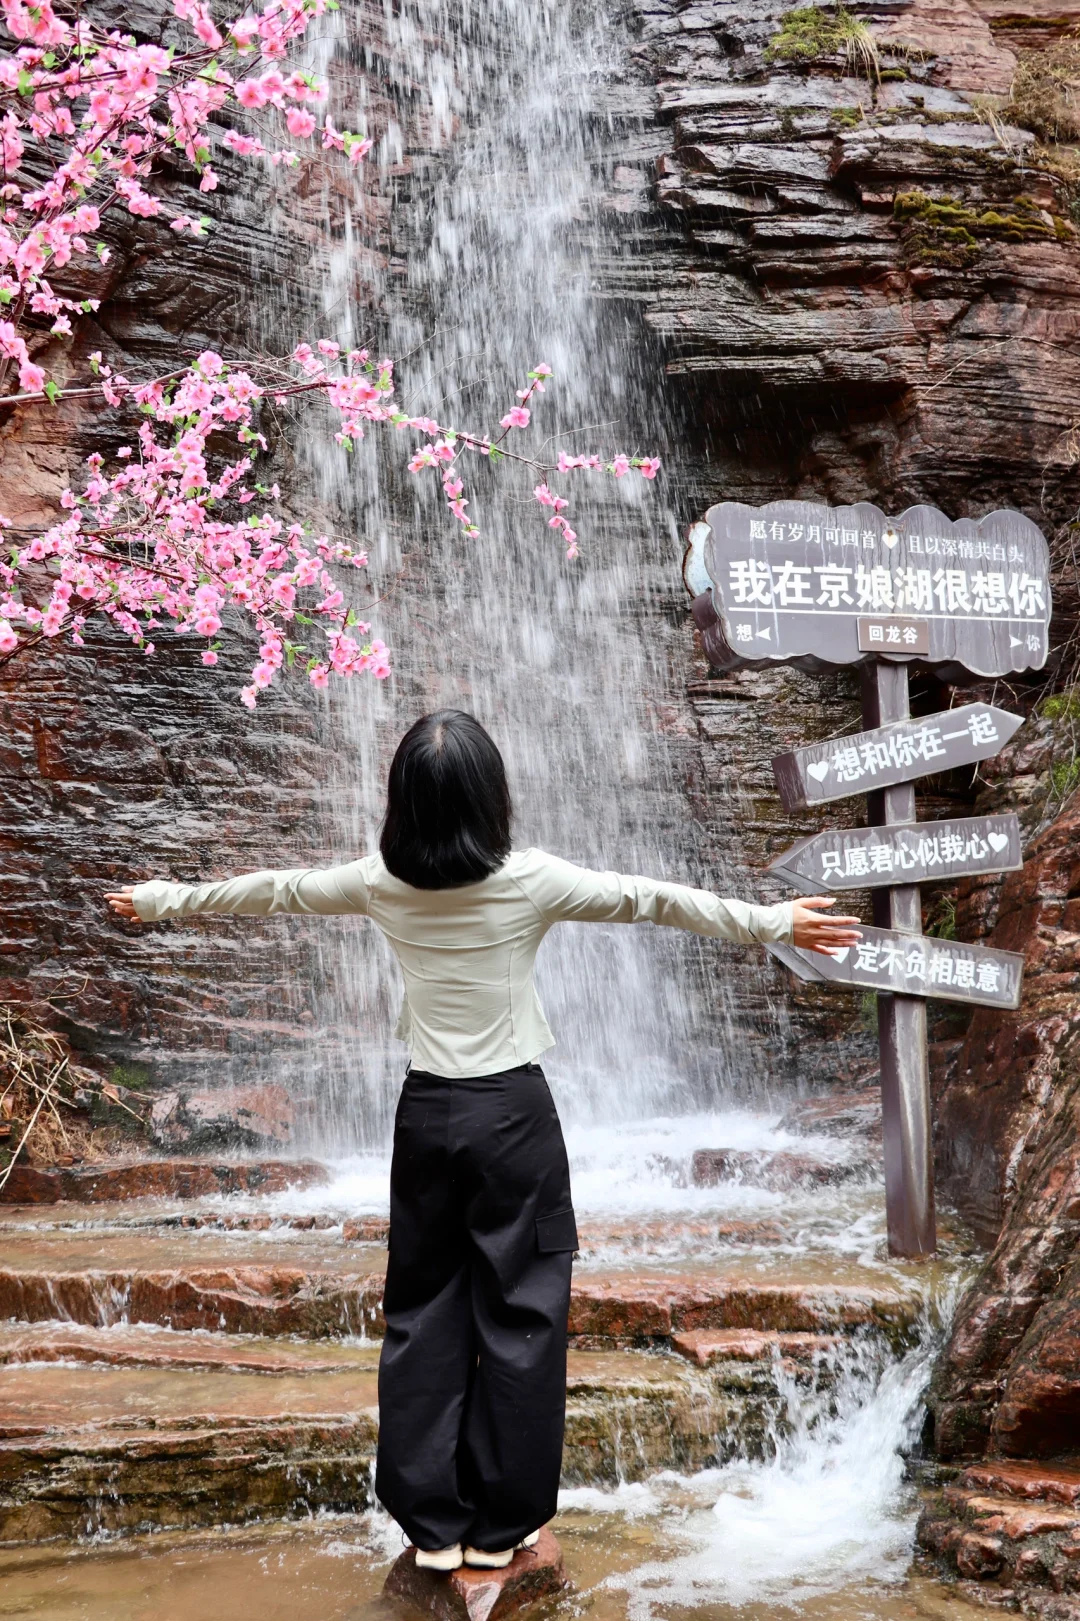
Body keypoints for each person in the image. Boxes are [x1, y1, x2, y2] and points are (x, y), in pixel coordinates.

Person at [106, 709, 860, 1572]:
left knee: (422, 1314)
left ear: (402, 805)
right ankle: (502, 1530)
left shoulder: (378, 882)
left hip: (426, 1117)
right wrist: (772, 922)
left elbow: (278, 887)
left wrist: (162, 902)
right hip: (513, 1120)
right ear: (491, 797)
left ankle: (432, 1528)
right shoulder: (531, 879)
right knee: (523, 1314)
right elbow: (650, 899)